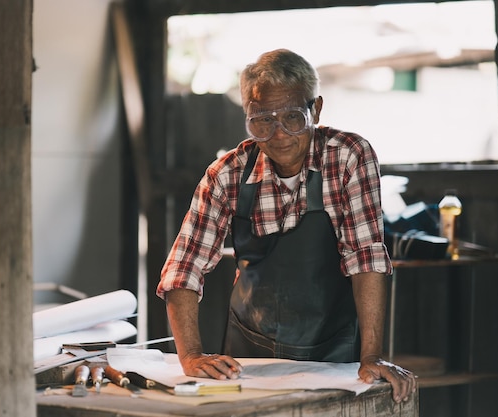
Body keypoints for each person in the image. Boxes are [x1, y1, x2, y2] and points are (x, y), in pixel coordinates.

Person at [156, 48, 416, 403]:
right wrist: (191, 355)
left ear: (316, 109)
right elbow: (183, 269)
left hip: (334, 350)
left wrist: (372, 356)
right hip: (248, 356)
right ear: (247, 116)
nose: (278, 134)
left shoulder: (348, 157)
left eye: (292, 117)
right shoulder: (227, 174)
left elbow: (366, 258)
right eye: (262, 120)